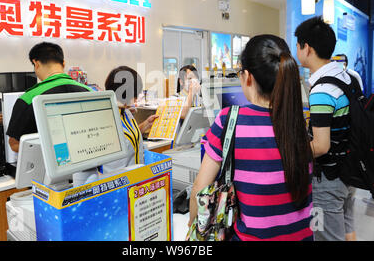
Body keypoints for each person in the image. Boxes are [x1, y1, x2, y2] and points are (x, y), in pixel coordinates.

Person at [189, 34, 314, 241]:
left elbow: (199, 190)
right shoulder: (296, 122)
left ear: (247, 76)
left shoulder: (229, 120)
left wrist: (193, 227)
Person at [295, 16, 358, 241]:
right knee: (348, 228)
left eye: (298, 45)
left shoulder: (322, 90)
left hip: (327, 181)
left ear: (307, 48)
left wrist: (292, 156)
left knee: (324, 236)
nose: (297, 50)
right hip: (350, 172)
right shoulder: (348, 77)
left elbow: (321, 146)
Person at [7, 42, 93, 153]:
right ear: (63, 63)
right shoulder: (90, 92)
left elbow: (15, 144)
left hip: (45, 167)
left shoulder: (29, 98)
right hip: (87, 163)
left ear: (36, 63)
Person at [102, 66, 158, 173]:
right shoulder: (106, 118)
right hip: (117, 181)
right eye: (135, 94)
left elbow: (129, 137)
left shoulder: (126, 111)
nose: (137, 98)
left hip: (136, 177)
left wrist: (146, 124)